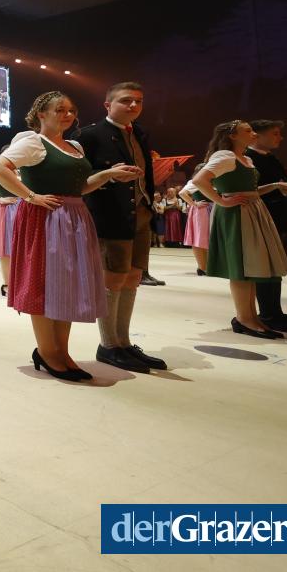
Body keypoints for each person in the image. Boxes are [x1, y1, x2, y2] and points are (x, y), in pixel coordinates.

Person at [0, 91, 140, 382]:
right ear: (41, 114)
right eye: (60, 110)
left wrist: (108, 174)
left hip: (74, 216)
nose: (68, 115)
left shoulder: (74, 146)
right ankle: (47, 352)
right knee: (44, 284)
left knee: (67, 285)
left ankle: (62, 352)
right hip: (45, 218)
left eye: (71, 110)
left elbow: (79, 187)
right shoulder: (33, 142)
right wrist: (31, 196)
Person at [74, 82, 167, 374]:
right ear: (107, 105)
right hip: (109, 214)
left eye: (138, 101)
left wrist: (148, 203)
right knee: (113, 278)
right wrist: (110, 175)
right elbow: (78, 178)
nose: (133, 105)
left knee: (134, 276)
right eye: (126, 100)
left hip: (141, 213)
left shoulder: (139, 132)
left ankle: (124, 343)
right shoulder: (89, 135)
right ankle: (108, 345)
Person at [192, 121, 287, 339]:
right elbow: (199, 180)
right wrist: (222, 201)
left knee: (249, 268)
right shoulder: (225, 156)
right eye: (248, 131)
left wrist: (276, 186)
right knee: (241, 268)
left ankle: (251, 318)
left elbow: (251, 190)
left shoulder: (245, 159)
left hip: (251, 210)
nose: (253, 134)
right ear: (232, 136)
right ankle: (244, 318)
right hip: (236, 213)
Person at [246, 120, 287, 333]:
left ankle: (274, 313)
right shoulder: (247, 158)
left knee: (275, 270)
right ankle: (268, 314)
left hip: (281, 218)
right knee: (266, 270)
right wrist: (278, 187)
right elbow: (248, 190)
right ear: (257, 135)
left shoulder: (270, 157)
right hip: (264, 218)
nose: (280, 137)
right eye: (275, 133)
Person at [180, 172, 212, 275]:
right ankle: (202, 267)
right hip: (202, 210)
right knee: (200, 239)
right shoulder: (194, 182)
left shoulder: (212, 181)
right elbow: (182, 193)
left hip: (213, 209)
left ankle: (208, 266)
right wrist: (194, 204)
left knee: (209, 238)